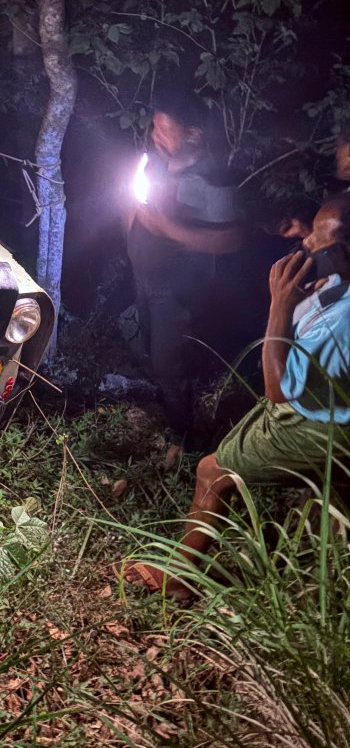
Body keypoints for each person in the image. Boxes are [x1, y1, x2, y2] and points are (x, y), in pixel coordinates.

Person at [118, 195, 350, 601]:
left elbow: (278, 392)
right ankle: (311, 592)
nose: (307, 243)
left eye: (318, 237)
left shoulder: (344, 320)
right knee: (328, 496)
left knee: (213, 470)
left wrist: (279, 304)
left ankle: (181, 576)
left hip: (314, 421)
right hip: (333, 407)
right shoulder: (339, 283)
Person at [126, 90, 244, 455]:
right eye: (154, 129)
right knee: (147, 347)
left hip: (178, 291)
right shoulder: (156, 162)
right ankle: (167, 407)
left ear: (192, 134)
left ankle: (187, 441)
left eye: (165, 130)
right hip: (144, 278)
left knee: (170, 362)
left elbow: (230, 239)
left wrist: (166, 229)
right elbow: (134, 204)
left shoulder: (213, 180)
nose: (156, 137)